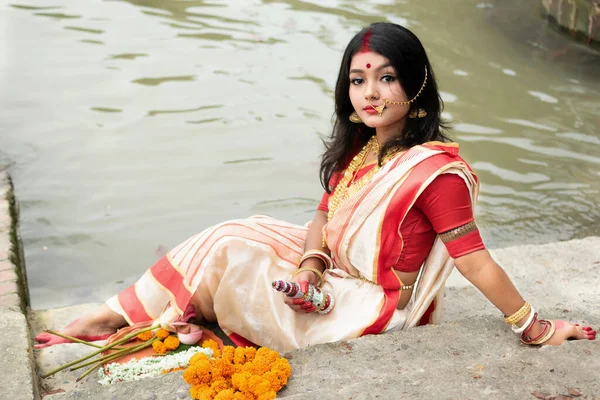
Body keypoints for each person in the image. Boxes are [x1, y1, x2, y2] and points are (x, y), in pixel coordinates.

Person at [35, 22, 595, 352]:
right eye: (357, 80)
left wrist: (537, 328)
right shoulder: (365, 146)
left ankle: (125, 322)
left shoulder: (434, 172)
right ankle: (119, 315)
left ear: (416, 85)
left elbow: (474, 263)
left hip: (372, 306)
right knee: (239, 228)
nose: (368, 93)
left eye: (386, 78)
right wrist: (309, 267)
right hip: (328, 278)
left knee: (235, 250)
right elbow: (323, 218)